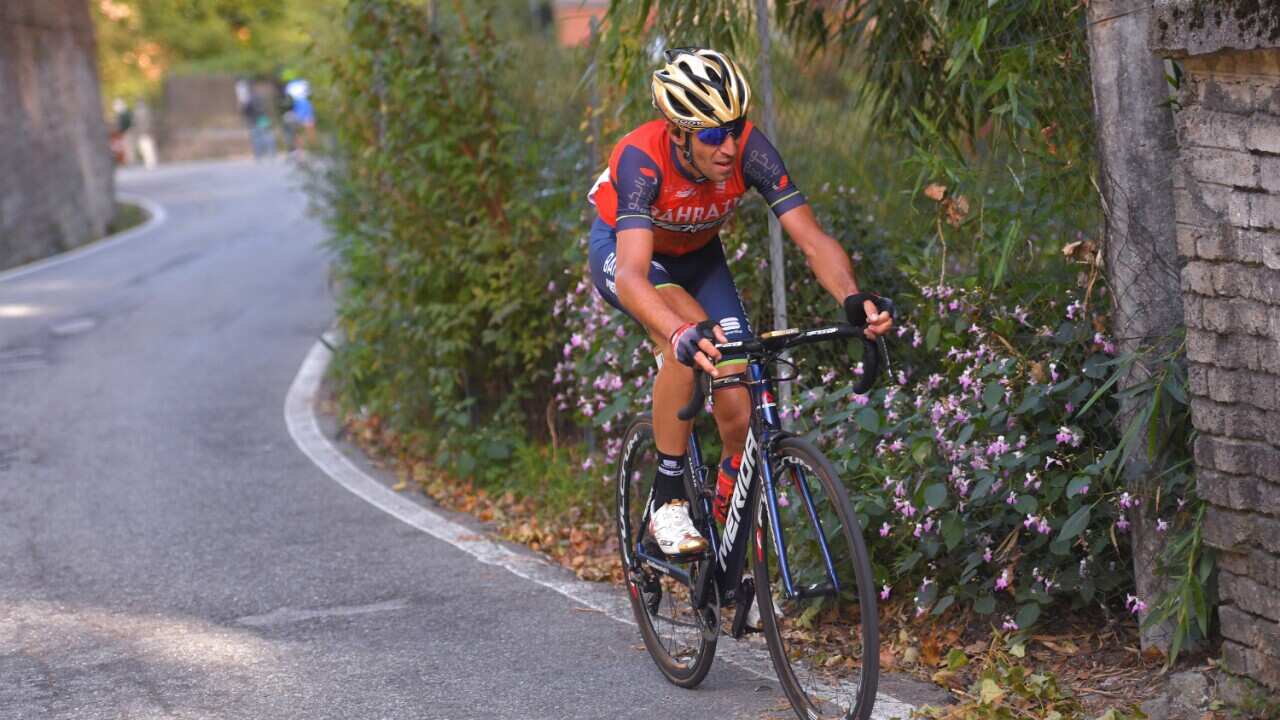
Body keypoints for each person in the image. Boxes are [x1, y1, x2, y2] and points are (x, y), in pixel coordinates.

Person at [586, 48, 893, 557]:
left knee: (740, 394)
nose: (727, 146)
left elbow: (812, 239)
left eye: (735, 126)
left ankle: (731, 534)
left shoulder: (748, 150)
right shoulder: (642, 158)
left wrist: (852, 297)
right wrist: (679, 332)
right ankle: (667, 499)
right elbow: (636, 277)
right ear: (679, 131)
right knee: (684, 336)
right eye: (711, 134)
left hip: (700, 257)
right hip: (630, 257)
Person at [132, 99, 157, 169]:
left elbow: (135, 123)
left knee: (145, 148)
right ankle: (151, 162)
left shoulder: (136, 112)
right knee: (148, 148)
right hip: (146, 132)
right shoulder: (147, 111)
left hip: (142, 132)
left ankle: (149, 162)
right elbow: (151, 121)